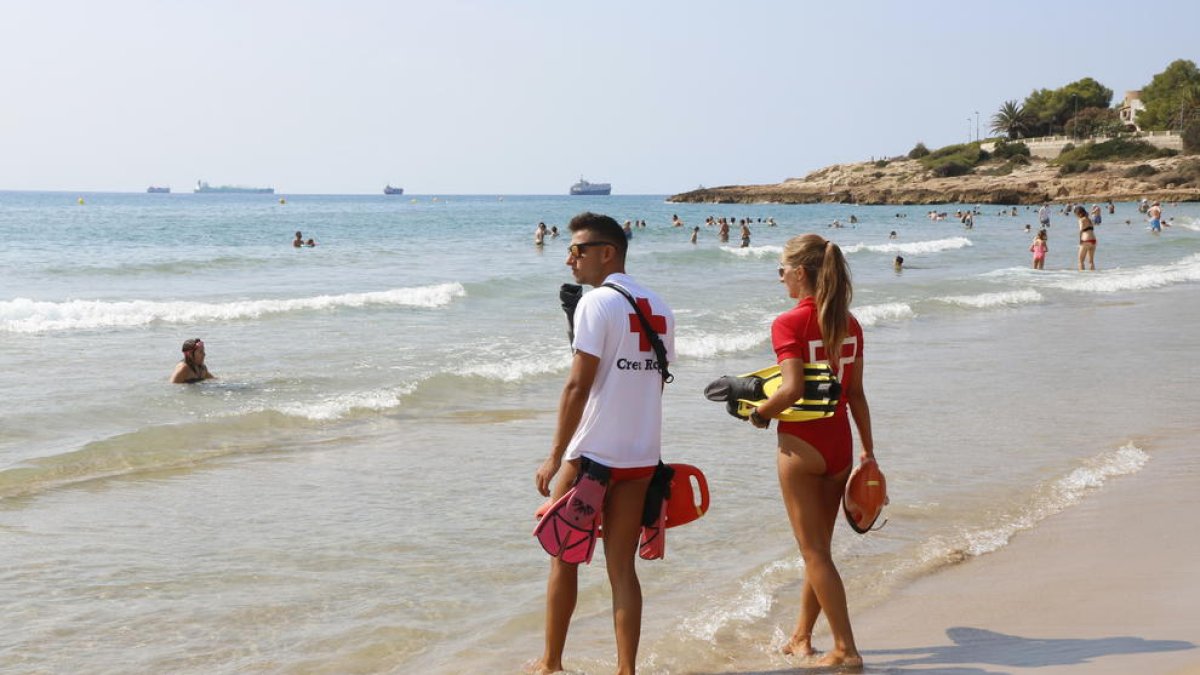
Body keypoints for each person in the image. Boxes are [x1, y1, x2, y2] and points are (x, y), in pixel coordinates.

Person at [532, 212, 675, 675]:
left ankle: (551, 665)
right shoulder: (660, 305)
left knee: (563, 559)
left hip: (592, 455)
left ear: (607, 252)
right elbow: (655, 382)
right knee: (622, 571)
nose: (569, 258)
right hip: (641, 456)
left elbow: (577, 386)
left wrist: (555, 455)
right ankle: (625, 671)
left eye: (578, 249)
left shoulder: (596, 304)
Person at [749, 234, 872, 670]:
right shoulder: (850, 324)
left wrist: (759, 413)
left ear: (801, 273)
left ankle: (846, 649)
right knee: (818, 549)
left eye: (782, 270)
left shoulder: (788, 323)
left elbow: (792, 389)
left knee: (814, 553)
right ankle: (801, 637)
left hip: (803, 445)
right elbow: (855, 393)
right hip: (841, 445)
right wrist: (868, 453)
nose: (779, 277)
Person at [1076, 205, 1097, 270]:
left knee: (1080, 261)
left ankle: (1082, 278)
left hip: (1086, 240)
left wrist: (1080, 240)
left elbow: (1081, 230)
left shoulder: (1081, 220)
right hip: (1093, 240)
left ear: (1078, 213)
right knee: (1091, 261)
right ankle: (1092, 277)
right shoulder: (1089, 219)